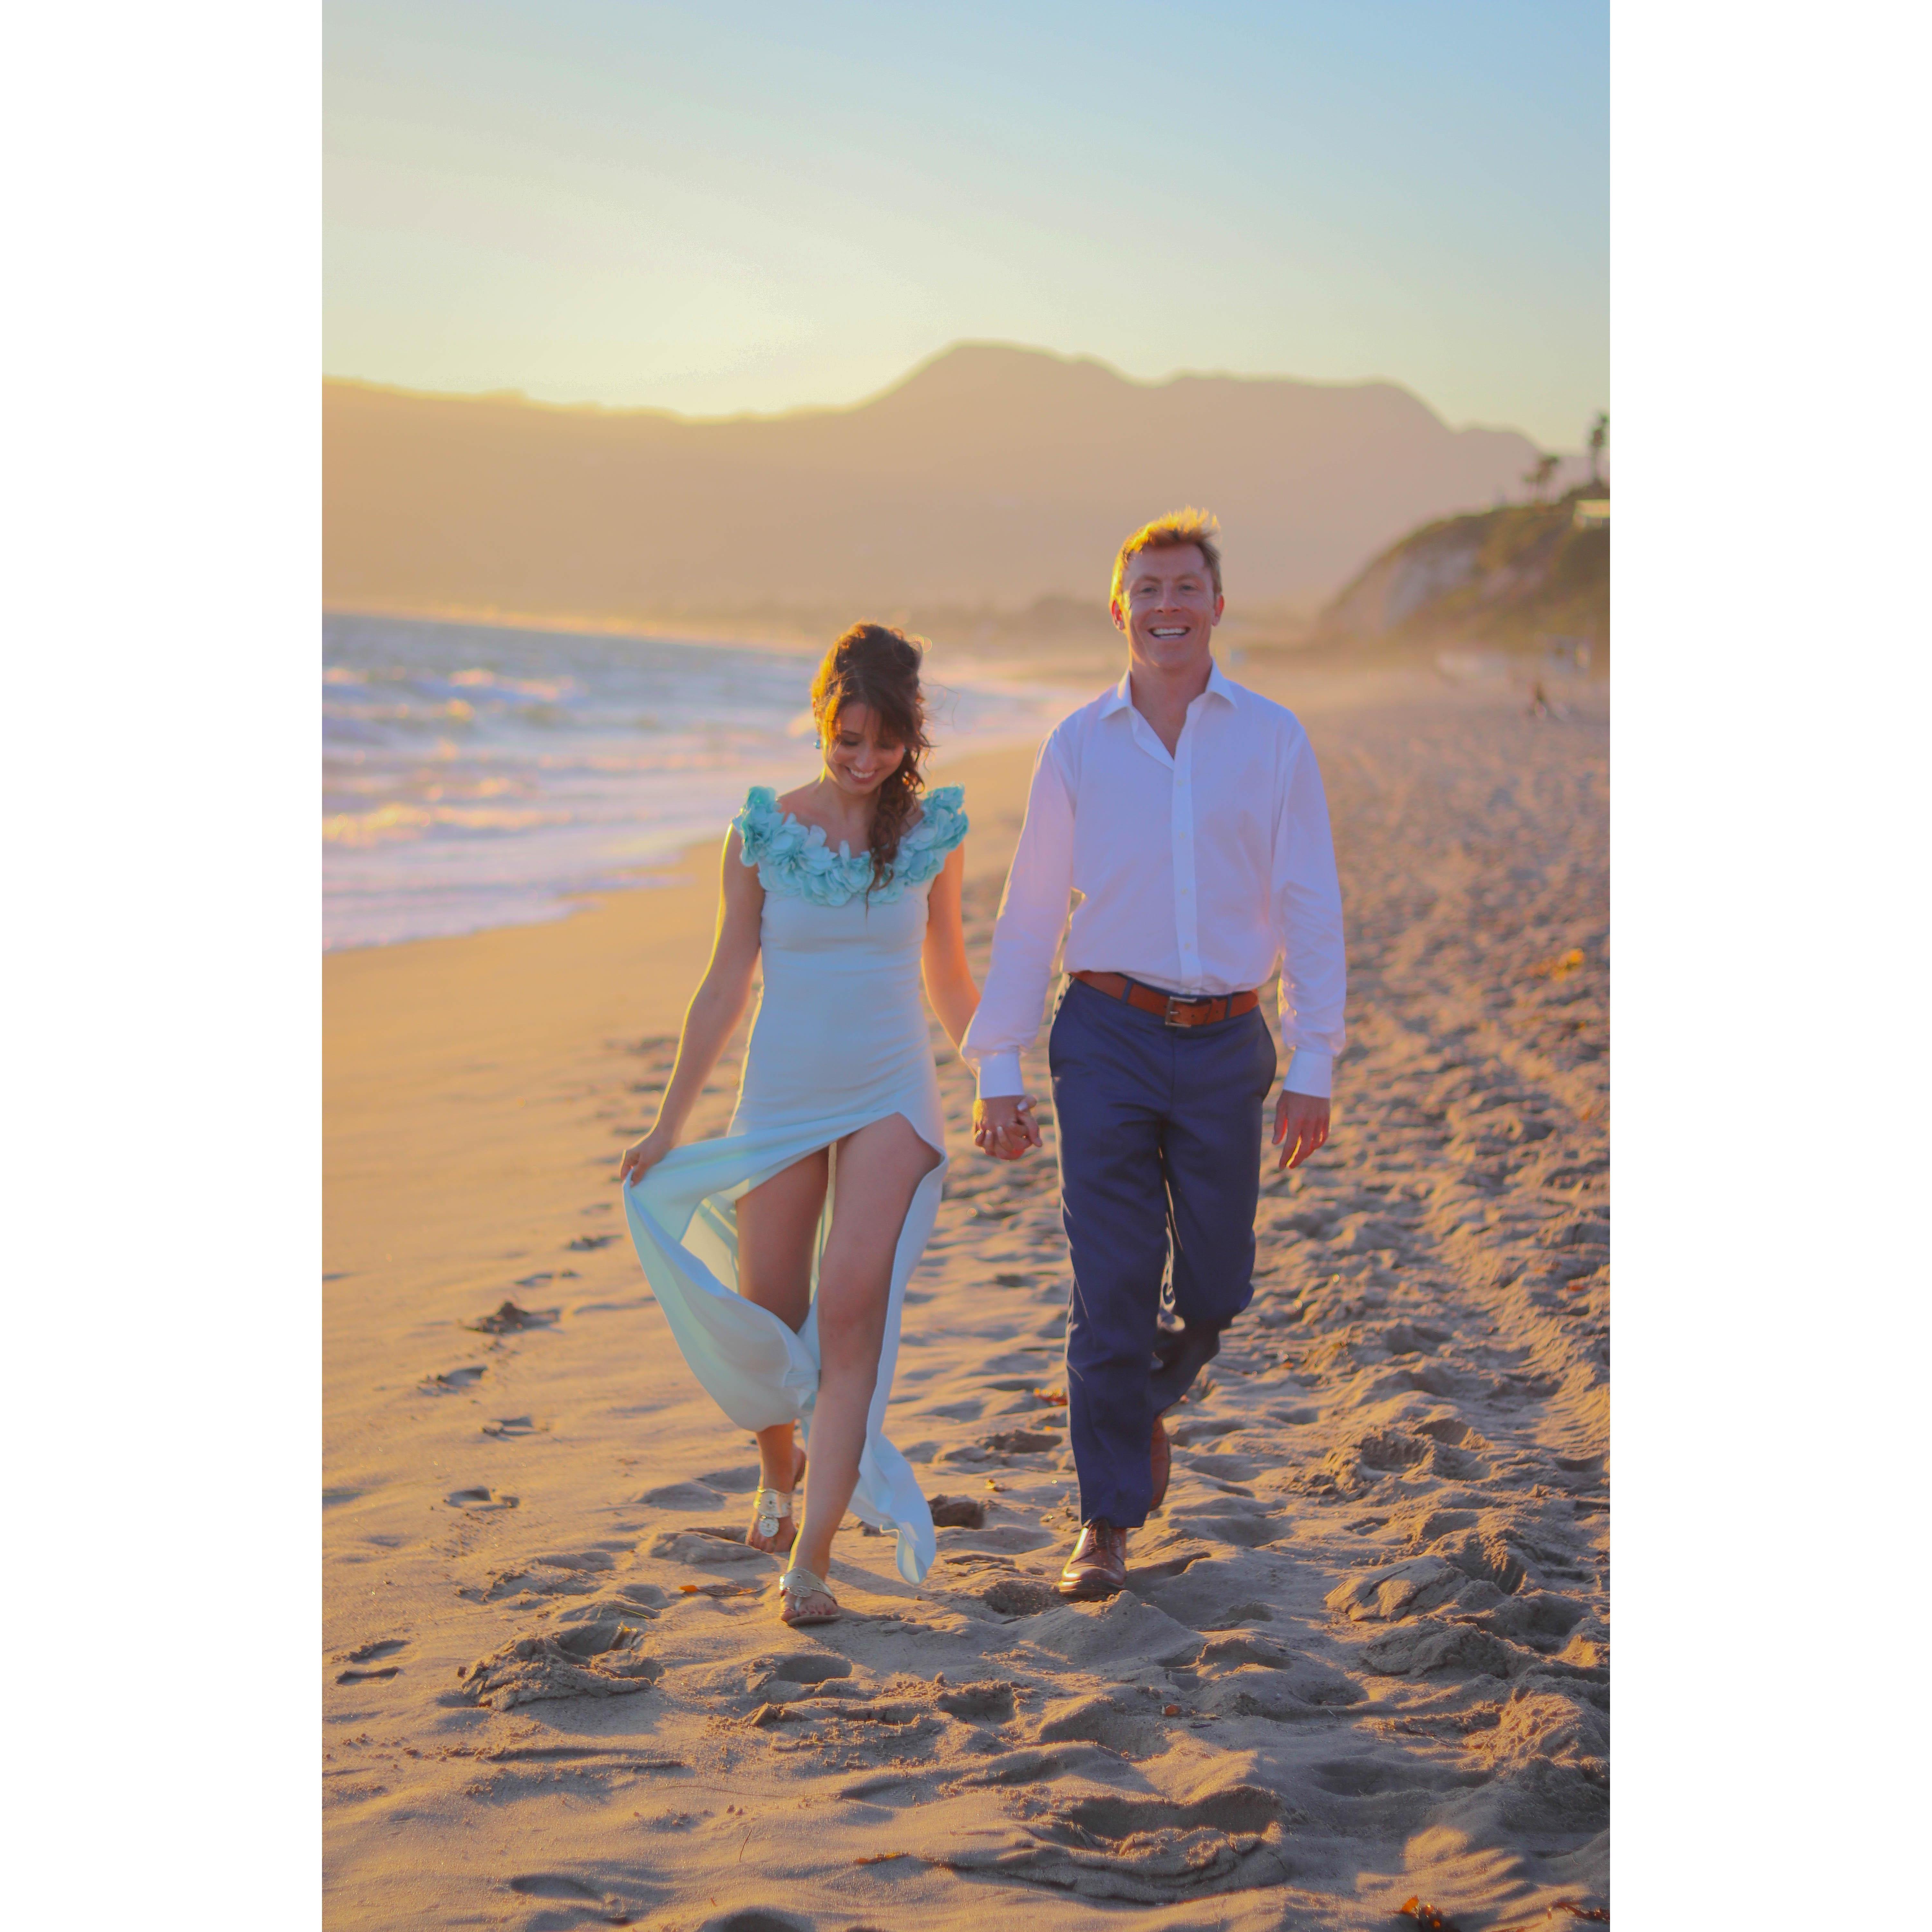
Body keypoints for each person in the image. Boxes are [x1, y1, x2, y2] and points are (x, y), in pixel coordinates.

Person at [964, 509, 1346, 1600]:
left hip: (1230, 1042)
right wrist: (1000, 1064)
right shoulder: (1077, 745)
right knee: (1112, 1284)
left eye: (1188, 589)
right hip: (1108, 1037)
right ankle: (1104, 1522)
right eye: (1150, 589)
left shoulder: (1272, 740)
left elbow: (1310, 901)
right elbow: (1030, 910)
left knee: (1219, 1284)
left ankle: (1152, 1389)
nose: (1168, 607)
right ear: (1119, 606)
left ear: (1217, 607)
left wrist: (1314, 1062)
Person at [618, 624, 978, 1626]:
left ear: (912, 737)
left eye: (884, 742)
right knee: (767, 1314)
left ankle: (812, 1557)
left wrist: (995, 1077)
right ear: (821, 721)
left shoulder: (933, 837)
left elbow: (947, 974)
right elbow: (728, 982)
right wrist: (666, 1126)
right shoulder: (763, 832)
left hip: (891, 1092)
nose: (864, 762)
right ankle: (779, 1471)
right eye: (845, 739)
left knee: (852, 1302)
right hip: (783, 1091)